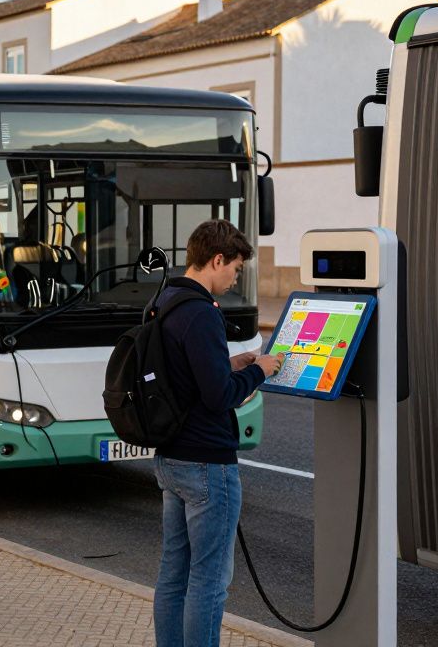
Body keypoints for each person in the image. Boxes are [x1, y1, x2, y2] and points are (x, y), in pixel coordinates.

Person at [151, 220, 283, 647]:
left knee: (173, 573)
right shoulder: (202, 312)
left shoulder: (165, 301)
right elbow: (218, 397)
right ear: (217, 259)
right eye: (236, 269)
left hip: (171, 458)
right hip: (208, 463)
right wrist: (260, 371)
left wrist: (233, 362)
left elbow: (184, 376)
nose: (235, 278)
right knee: (209, 580)